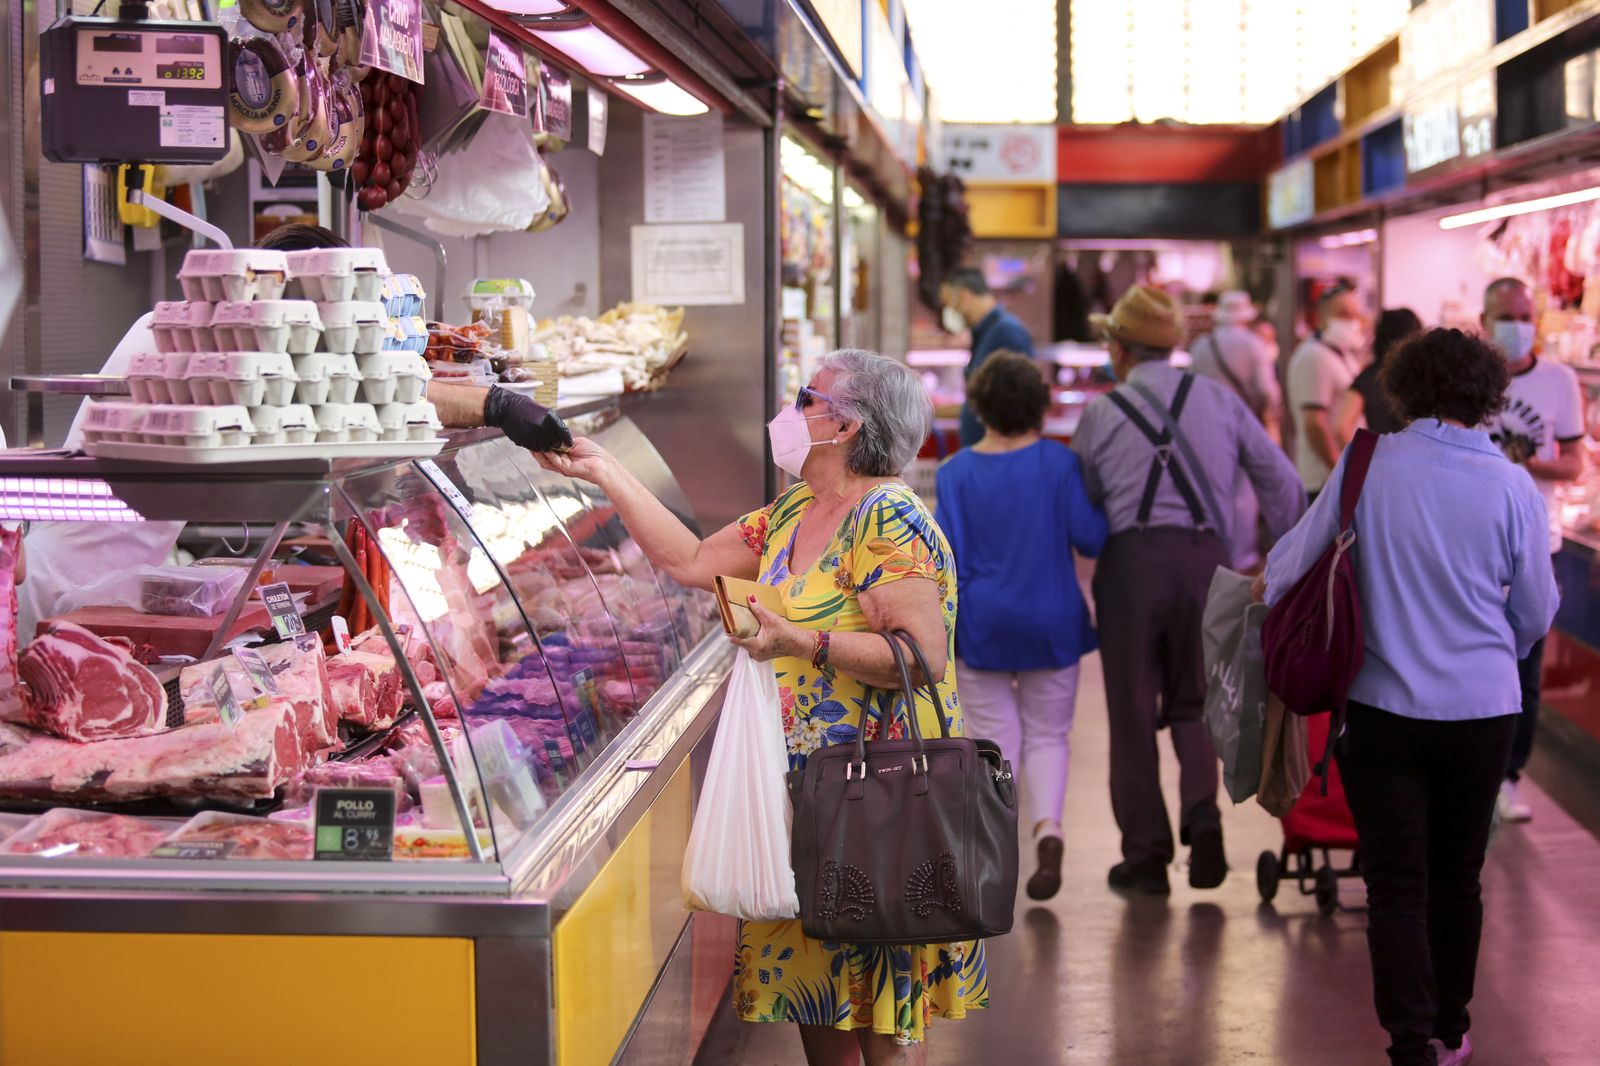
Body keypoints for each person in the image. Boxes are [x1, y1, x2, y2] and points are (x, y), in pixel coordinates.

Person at [537, 349, 984, 1064]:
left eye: (805, 397)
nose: (788, 409)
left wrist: (799, 641)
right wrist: (605, 470)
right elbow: (690, 560)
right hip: (803, 797)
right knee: (818, 995)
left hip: (876, 800)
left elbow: (923, 655)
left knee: (879, 1020)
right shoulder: (796, 509)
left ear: (845, 426)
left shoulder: (888, 518)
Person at [17, 222, 572, 640]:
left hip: (122, 590)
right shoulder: (193, 334)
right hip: (60, 596)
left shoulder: (237, 341)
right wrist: (493, 403)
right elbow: (368, 391)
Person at [1263, 328, 1558, 1066]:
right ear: (1490, 395)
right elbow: (1535, 611)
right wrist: (1493, 652)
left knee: (1395, 880)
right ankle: (1452, 1029)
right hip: (1483, 711)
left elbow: (1290, 566)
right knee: (1458, 876)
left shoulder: (1368, 463)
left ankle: (1410, 1041)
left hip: (1380, 708)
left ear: (1405, 386)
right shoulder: (1512, 486)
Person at [1072, 286, 1304, 896]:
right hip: (1207, 563)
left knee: (1131, 709)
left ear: (1120, 349)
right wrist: (1285, 560)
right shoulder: (1221, 401)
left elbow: (1085, 497)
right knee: (1198, 700)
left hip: (1130, 565)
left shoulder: (1101, 413)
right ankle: (1204, 825)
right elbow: (1282, 482)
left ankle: (1146, 857)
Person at [934, 351, 1108, 902]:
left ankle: (997, 847)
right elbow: (1091, 538)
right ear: (1038, 407)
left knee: (995, 739)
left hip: (982, 623)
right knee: (1049, 734)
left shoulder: (955, 472)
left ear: (980, 408)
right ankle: (1049, 828)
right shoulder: (1059, 464)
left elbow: (945, 557)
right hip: (1052, 620)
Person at [1480, 277, 1585, 823]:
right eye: (1506, 317)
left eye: (1525, 316)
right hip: (1474, 545)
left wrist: (1531, 464)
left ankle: (1508, 776)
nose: (1517, 327)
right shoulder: (1470, 379)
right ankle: (1472, 770)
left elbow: (1574, 463)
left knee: (1526, 667)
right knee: (1473, 659)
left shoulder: (1559, 380)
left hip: (1536, 545)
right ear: (1484, 320)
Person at [1189, 290, 1283, 569]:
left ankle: (1212, 551)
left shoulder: (1200, 346)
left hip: (1204, 425)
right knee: (1243, 494)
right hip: (1242, 423)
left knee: (1210, 488)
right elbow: (1267, 391)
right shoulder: (1253, 344)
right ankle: (1242, 558)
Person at [939, 266, 1034, 449]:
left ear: (964, 296)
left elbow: (1013, 409)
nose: (948, 311)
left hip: (998, 458)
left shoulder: (1006, 333)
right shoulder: (988, 333)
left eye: (948, 303)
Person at [1287, 283, 1367, 500]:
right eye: (1343, 314)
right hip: (1323, 480)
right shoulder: (1314, 356)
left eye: (1355, 315)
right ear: (1321, 317)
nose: (1352, 322)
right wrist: (1339, 473)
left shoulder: (1341, 354)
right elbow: (1314, 423)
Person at [1338, 308, 1421, 441]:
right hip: (1419, 451)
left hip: (1382, 450)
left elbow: (1342, 428)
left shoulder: (1369, 376)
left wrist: (1363, 454)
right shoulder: (1422, 376)